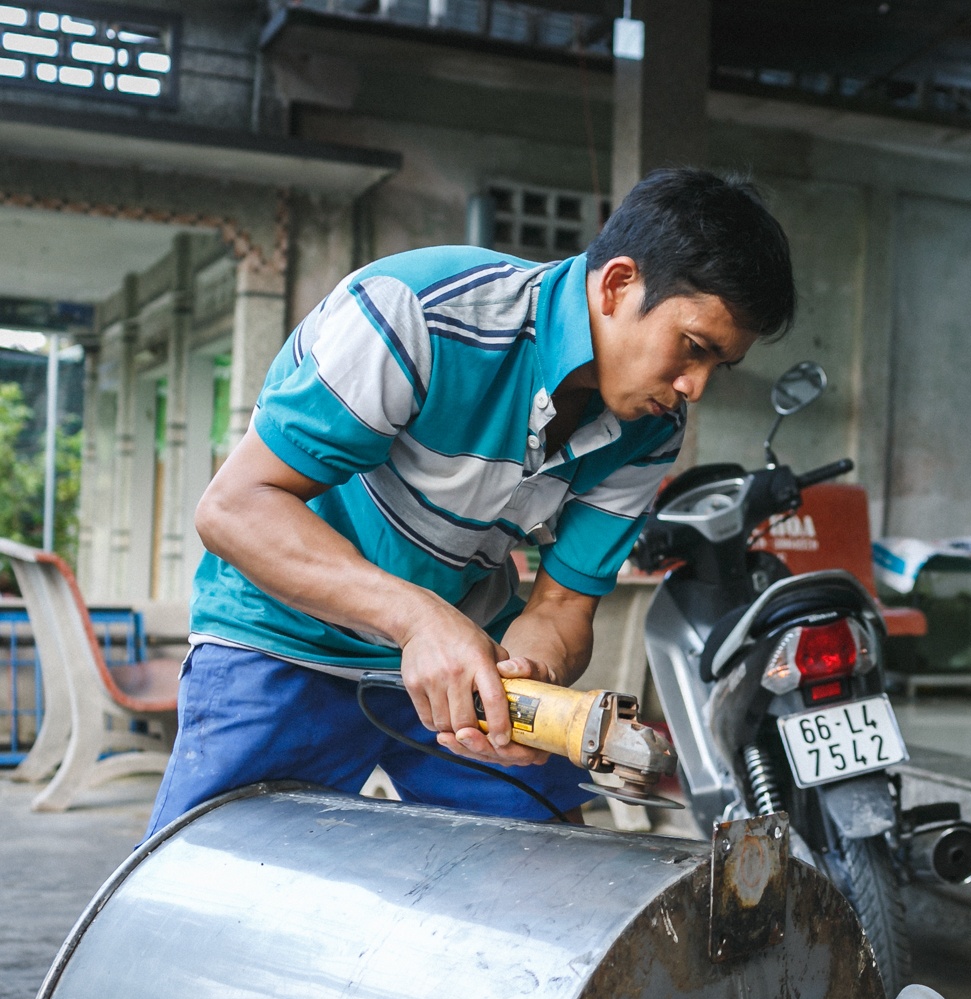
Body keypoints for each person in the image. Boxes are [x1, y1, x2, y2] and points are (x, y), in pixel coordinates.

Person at [144, 169, 796, 839]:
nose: (695, 387)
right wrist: (416, 621)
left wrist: (524, 680)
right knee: (199, 893)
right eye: (694, 348)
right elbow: (234, 507)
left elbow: (562, 606)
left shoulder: (652, 427)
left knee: (546, 885)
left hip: (463, 661)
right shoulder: (419, 314)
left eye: (722, 365)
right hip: (281, 644)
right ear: (618, 284)